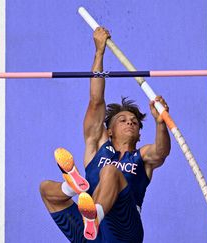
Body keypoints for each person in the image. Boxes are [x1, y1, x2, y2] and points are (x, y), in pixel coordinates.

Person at [39, 27, 171, 242]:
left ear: (139, 134)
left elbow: (162, 152)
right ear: (109, 130)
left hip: (125, 231)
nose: (129, 122)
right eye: (123, 120)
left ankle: (94, 215)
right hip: (91, 236)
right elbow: (96, 101)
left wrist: (161, 123)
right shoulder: (97, 147)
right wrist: (99, 52)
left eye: (135, 122)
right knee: (46, 189)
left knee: (110, 171)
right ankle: (73, 187)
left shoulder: (142, 157)